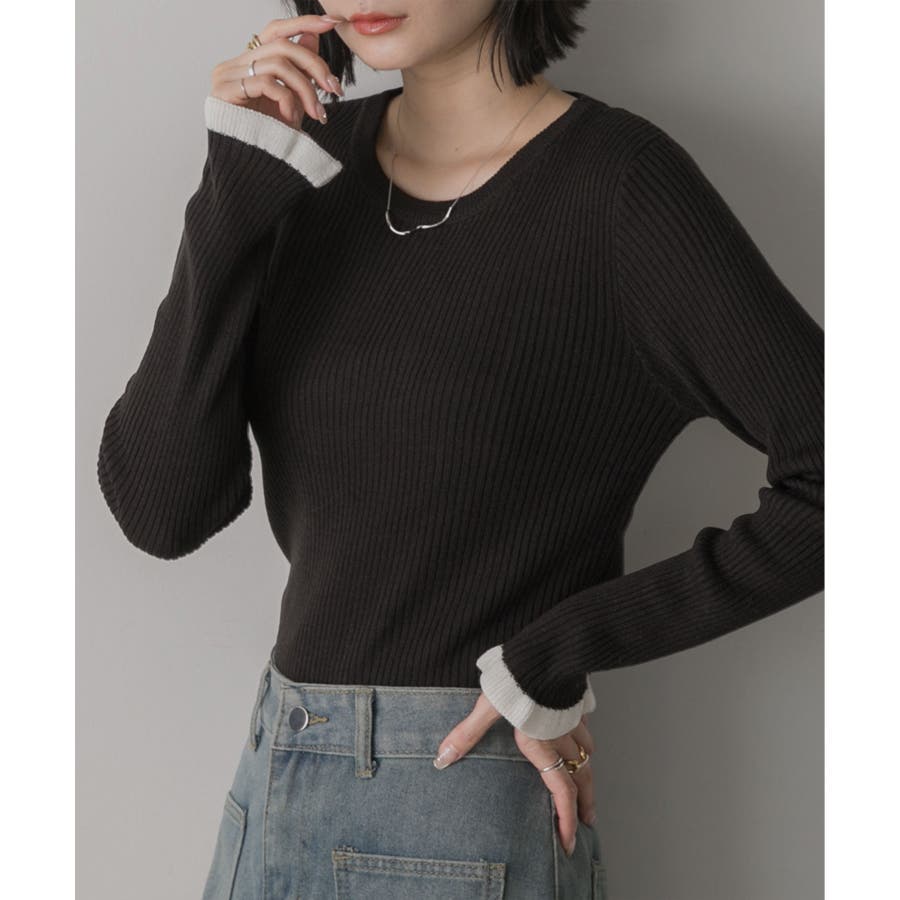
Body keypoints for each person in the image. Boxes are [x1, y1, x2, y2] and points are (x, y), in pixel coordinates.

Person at [95, 2, 824, 898]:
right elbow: (162, 511)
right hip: (270, 782)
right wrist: (229, 192)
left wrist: (552, 656)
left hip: (453, 800)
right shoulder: (299, 164)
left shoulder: (620, 188)